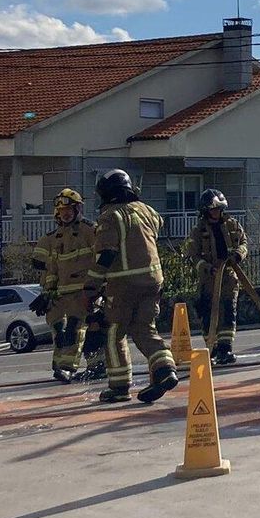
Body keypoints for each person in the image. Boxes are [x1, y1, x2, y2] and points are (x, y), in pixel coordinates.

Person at [85, 169, 178, 404]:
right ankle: (165, 369)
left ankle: (119, 386)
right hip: (153, 280)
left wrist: (91, 286)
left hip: (124, 284)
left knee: (115, 332)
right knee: (145, 328)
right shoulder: (148, 211)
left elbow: (106, 255)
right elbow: (155, 230)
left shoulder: (110, 216)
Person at [28, 188, 97, 383]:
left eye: (68, 209)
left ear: (78, 209)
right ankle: (59, 366)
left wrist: (99, 287)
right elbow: (39, 263)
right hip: (58, 295)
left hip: (82, 292)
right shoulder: (51, 238)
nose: (65, 214)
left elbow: (102, 258)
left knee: (76, 327)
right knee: (59, 329)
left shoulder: (89, 230)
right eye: (61, 211)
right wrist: (47, 292)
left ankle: (69, 367)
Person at [183, 189, 248, 366]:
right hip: (208, 279)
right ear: (205, 211)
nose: (215, 212)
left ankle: (226, 348)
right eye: (212, 209)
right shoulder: (198, 231)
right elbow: (193, 256)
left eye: (218, 209)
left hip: (229, 276)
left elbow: (243, 243)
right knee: (208, 313)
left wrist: (238, 255)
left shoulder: (232, 225)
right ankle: (212, 348)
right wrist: (207, 268)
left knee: (228, 311)